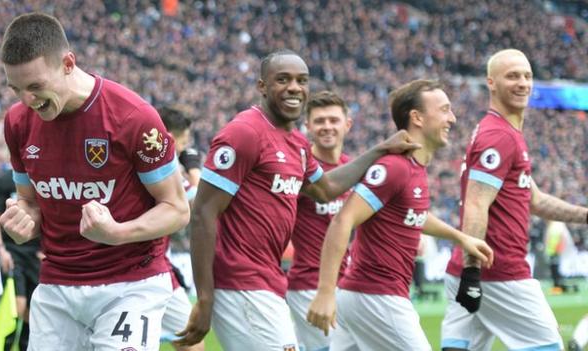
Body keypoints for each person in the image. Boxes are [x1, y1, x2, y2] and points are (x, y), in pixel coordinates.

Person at [176, 49, 421, 350]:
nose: (295, 87)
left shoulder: (297, 143)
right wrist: (204, 297)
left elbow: (327, 187)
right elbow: (203, 213)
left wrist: (381, 149)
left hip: (268, 281)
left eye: (302, 80)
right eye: (283, 79)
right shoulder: (244, 132)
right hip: (240, 283)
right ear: (262, 86)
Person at [0, 13, 190, 350]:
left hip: (131, 283)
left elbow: (176, 209)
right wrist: (23, 220)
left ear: (68, 63)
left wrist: (117, 233)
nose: (27, 100)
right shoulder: (17, 122)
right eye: (16, 88)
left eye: (35, 86)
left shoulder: (134, 117)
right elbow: (29, 201)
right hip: (58, 285)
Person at [306, 79, 494, 351]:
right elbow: (343, 220)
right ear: (417, 118)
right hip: (376, 297)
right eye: (444, 110)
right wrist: (325, 292)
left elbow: (414, 214)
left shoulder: (413, 168)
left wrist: (460, 238)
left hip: (362, 296)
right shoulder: (396, 168)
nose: (451, 118)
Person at [441, 49, 588, 351]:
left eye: (527, 76)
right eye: (512, 76)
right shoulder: (500, 136)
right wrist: (473, 271)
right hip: (498, 271)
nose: (522, 83)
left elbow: (535, 200)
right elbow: (476, 205)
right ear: (491, 83)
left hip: (472, 268)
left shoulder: (503, 132)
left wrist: (584, 215)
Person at [286, 90, 353, 351]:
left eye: (333, 120)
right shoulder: (299, 169)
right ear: (308, 127)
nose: (327, 127)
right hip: (309, 285)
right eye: (320, 121)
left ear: (347, 124)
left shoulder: (351, 170)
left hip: (347, 284)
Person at [158, 105, 205, 351]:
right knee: (192, 342)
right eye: (183, 141)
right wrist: (194, 170)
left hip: (155, 266)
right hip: (148, 268)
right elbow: (199, 207)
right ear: (171, 139)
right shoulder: (163, 165)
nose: (185, 148)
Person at [0, 165, 41, 351]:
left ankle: (24, 346)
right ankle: (7, 346)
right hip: (12, 251)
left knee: (31, 310)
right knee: (17, 304)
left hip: (36, 254)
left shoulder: (42, 179)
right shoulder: (4, 181)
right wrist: (1, 250)